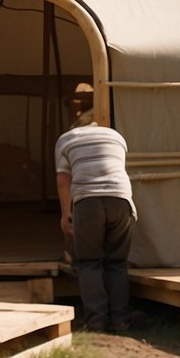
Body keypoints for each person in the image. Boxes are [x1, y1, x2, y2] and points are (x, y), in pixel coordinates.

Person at [55, 91, 137, 333]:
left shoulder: (66, 139)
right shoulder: (115, 136)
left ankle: (96, 321)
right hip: (121, 199)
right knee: (117, 262)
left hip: (88, 202)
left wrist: (65, 214)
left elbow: (62, 180)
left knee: (90, 262)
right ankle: (121, 319)